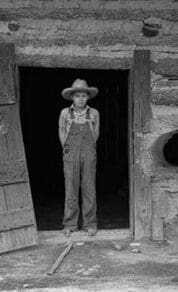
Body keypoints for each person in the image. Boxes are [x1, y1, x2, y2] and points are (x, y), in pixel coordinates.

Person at [59, 79, 100, 237]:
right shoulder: (65, 113)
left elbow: (95, 134)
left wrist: (88, 149)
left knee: (89, 187)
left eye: (84, 96)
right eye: (77, 96)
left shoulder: (94, 113)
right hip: (71, 153)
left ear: (88, 97)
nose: (81, 99)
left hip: (88, 152)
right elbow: (62, 130)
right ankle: (69, 223)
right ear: (72, 97)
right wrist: (67, 148)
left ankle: (90, 223)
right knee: (71, 188)